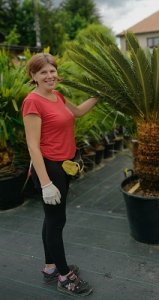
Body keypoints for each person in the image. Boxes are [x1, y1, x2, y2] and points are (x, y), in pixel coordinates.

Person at [22, 53, 97, 296]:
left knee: (52, 219)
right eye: (43, 72)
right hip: (49, 167)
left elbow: (77, 113)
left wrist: (98, 96)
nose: (49, 75)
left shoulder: (57, 96)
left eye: (52, 70)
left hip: (64, 164)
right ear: (33, 76)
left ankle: (50, 266)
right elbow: (33, 146)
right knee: (56, 221)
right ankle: (65, 277)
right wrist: (45, 183)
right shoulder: (32, 102)